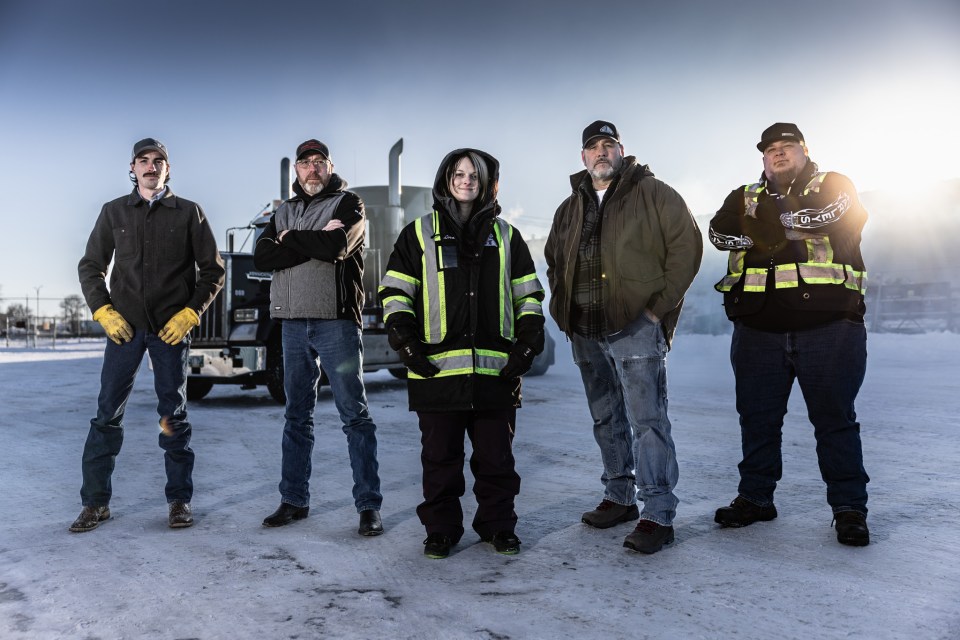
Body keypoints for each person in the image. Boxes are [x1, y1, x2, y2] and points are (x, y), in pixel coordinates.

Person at [709, 123, 871, 546]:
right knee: (757, 421)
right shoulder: (742, 195)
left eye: (787, 147)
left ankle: (849, 508)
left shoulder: (833, 183)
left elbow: (836, 214)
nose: (778, 154)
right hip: (758, 328)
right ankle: (756, 498)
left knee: (834, 421)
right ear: (763, 158)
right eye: (770, 150)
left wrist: (775, 223)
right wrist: (778, 226)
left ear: (804, 151)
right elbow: (717, 233)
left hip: (828, 326)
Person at [544, 120, 702, 554]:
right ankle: (619, 497)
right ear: (582, 157)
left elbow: (687, 248)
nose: (600, 152)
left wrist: (655, 310)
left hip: (635, 327)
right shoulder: (569, 206)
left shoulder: (653, 193)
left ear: (621, 151)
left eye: (608, 145)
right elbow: (554, 261)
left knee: (648, 422)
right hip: (586, 330)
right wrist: (564, 311)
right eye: (593, 147)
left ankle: (657, 514)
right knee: (606, 418)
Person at [378, 149, 545, 559]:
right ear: (446, 179)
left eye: (475, 175)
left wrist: (526, 345)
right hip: (435, 370)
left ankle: (498, 526)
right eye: (459, 173)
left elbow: (529, 296)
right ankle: (441, 530)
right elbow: (396, 292)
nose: (467, 180)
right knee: (440, 461)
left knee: (497, 461)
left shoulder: (507, 236)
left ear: (488, 183)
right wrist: (406, 343)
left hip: (496, 373)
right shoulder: (418, 234)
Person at [72, 137, 225, 532]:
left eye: (159, 161)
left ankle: (179, 501)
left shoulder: (189, 213)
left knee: (172, 415)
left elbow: (213, 271)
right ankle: (95, 503)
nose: (151, 166)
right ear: (133, 167)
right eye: (144, 160)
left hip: (169, 332)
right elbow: (90, 265)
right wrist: (103, 310)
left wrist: (191, 312)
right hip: (124, 329)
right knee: (107, 413)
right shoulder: (114, 212)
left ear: (168, 169)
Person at [253, 139, 384, 537]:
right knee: (296, 416)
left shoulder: (349, 205)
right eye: (305, 163)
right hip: (291, 324)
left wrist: (289, 237)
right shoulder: (282, 210)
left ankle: (368, 506)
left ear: (330, 167)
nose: (312, 169)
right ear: (296, 169)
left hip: (336, 323)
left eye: (319, 162)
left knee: (354, 415)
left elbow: (337, 247)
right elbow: (262, 256)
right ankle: (293, 500)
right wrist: (305, 238)